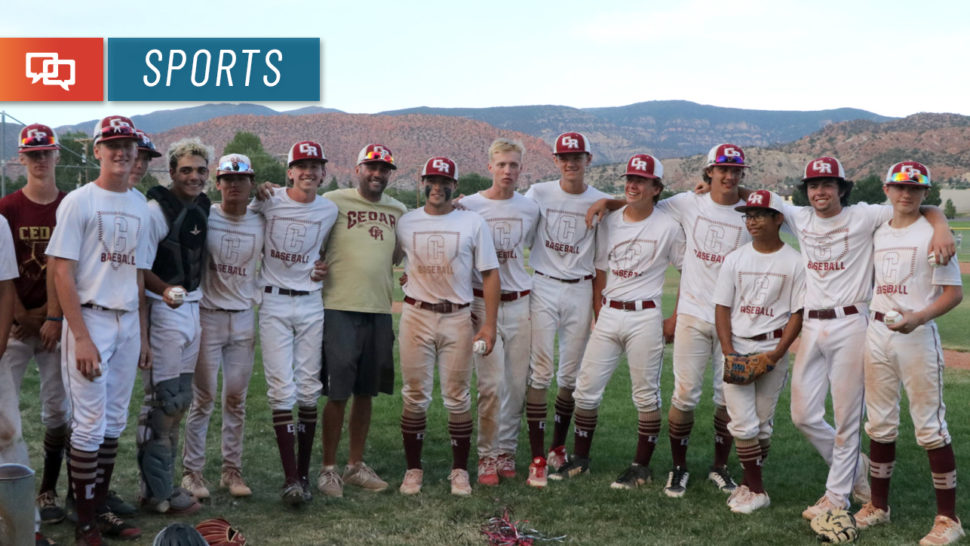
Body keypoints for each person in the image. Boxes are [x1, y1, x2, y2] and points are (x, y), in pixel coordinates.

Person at [778, 157, 954, 519]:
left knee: (849, 419)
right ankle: (857, 473)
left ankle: (837, 496)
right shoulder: (799, 217)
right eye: (813, 185)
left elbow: (921, 203)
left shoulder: (864, 215)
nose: (820, 191)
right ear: (806, 190)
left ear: (842, 188)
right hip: (815, 323)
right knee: (802, 415)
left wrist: (942, 227)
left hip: (853, 321)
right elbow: (750, 197)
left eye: (829, 185)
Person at [548, 154, 683, 490]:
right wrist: (599, 314)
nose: (632, 185)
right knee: (586, 389)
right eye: (629, 179)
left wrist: (676, 317)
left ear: (657, 188)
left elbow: (688, 273)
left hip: (645, 314)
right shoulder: (610, 221)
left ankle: (641, 466)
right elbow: (600, 271)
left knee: (645, 394)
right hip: (610, 311)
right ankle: (580, 460)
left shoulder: (668, 226)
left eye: (641, 180)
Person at [46, 115, 152, 544]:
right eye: (112, 144)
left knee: (113, 422)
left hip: (127, 319)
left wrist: (141, 333)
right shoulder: (79, 200)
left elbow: (139, 276)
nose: (121, 150)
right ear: (96, 151)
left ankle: (98, 508)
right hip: (89, 318)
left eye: (127, 143)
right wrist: (82, 336)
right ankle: (86, 521)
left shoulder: (140, 202)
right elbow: (62, 274)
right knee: (89, 424)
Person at [853, 161, 964, 545]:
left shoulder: (933, 235)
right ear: (885, 189)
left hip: (916, 334)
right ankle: (879, 506)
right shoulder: (878, 230)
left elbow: (954, 294)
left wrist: (919, 317)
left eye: (915, 189)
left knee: (929, 426)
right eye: (899, 187)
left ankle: (948, 518)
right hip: (877, 329)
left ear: (925, 193)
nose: (906, 194)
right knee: (879, 423)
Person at [396, 156, 499, 496]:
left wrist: (489, 324)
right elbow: (389, 259)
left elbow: (489, 274)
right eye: (431, 179)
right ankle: (413, 469)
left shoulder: (472, 222)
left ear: (456, 186)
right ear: (422, 182)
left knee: (457, 396)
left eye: (444, 181)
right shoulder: (406, 221)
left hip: (457, 315)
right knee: (414, 394)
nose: (436, 186)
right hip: (416, 313)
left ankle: (459, 470)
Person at [316, 144, 406, 497]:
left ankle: (355, 465)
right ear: (358, 169)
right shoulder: (333, 200)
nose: (377, 174)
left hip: (380, 309)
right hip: (339, 306)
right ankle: (328, 469)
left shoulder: (398, 209)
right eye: (371, 167)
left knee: (366, 391)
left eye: (384, 169)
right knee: (337, 392)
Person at [250, 140, 337, 506]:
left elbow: (328, 250)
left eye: (315, 166)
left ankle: (303, 474)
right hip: (272, 298)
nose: (308, 171)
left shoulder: (329, 208)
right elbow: (235, 209)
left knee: (308, 387)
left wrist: (322, 265)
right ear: (289, 171)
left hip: (310, 301)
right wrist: (257, 188)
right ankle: (290, 478)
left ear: (323, 172)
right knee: (281, 388)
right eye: (301, 165)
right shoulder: (268, 200)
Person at [523, 132, 609, 487]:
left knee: (570, 376)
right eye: (564, 157)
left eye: (577, 157)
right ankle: (537, 456)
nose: (570, 163)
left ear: (589, 160)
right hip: (543, 283)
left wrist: (597, 307)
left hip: (579, 286)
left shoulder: (600, 199)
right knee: (540, 372)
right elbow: (509, 215)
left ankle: (558, 446)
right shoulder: (539, 193)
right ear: (555, 160)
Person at [712, 190, 805, 514]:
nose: (751, 220)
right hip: (739, 343)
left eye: (759, 214)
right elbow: (722, 307)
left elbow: (798, 313)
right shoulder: (735, 258)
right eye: (748, 215)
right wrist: (728, 351)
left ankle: (748, 484)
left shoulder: (794, 261)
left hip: (772, 346)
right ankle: (758, 489)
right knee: (743, 424)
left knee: (762, 425)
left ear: (778, 219)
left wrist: (777, 354)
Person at [0, 124, 71, 530]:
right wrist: (19, 316)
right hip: (15, 322)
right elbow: (3, 272)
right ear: (21, 159)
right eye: (33, 153)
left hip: (53, 320)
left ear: (57, 155)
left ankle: (47, 487)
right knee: (4, 416)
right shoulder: (8, 207)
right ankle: (10, 490)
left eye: (47, 152)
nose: (41, 160)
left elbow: (69, 266)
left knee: (58, 408)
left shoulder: (69, 204)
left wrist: (50, 315)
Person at [181, 153, 264, 498]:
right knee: (203, 398)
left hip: (243, 316)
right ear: (217, 184)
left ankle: (232, 469)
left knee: (236, 398)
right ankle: (192, 472)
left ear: (251, 184)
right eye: (227, 179)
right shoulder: (206, 215)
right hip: (209, 314)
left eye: (241, 179)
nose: (234, 185)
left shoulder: (261, 218)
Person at [137, 137, 211, 516]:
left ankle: (161, 487)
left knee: (180, 400)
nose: (193, 177)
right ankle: (156, 491)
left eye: (200, 170)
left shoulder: (202, 208)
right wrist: (164, 291)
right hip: (163, 309)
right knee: (162, 403)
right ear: (171, 172)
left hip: (192, 309)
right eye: (186, 170)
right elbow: (140, 268)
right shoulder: (154, 211)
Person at [459, 138, 539, 486]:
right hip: (481, 303)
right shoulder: (468, 206)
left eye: (514, 165)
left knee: (516, 385)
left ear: (522, 169)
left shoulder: (530, 208)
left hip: (520, 301)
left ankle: (507, 450)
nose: (508, 171)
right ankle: (486, 455)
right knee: (490, 385)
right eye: (502, 164)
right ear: (490, 166)